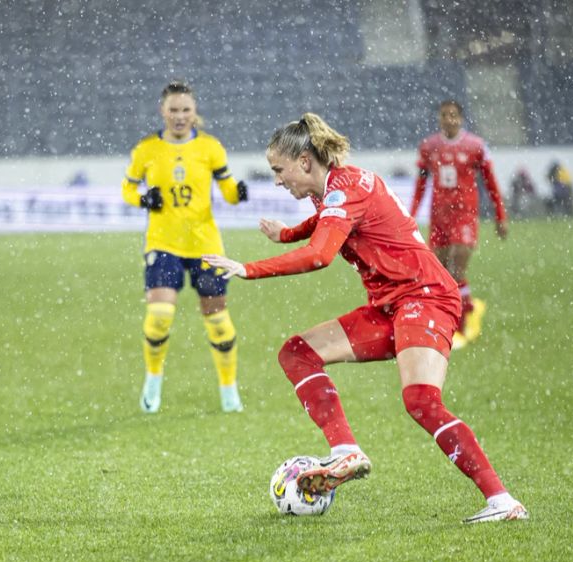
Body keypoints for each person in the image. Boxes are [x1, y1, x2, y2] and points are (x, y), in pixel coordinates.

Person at [203, 113, 527, 523]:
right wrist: (286, 234)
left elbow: (321, 254)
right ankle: (345, 452)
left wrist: (249, 268)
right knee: (296, 353)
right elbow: (324, 219)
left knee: (421, 400)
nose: (278, 181)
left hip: (424, 297)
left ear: (305, 161)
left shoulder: (345, 189)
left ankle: (502, 500)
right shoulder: (333, 188)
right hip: (390, 306)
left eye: (279, 170)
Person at [122, 80, 249, 414]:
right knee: (159, 317)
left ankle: (228, 388)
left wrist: (239, 192)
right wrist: (143, 198)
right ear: (162, 111)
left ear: (195, 112)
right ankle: (153, 379)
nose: (180, 116)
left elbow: (228, 191)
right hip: (163, 242)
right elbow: (127, 188)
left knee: (218, 320)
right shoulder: (146, 149)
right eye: (174, 110)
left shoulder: (210, 148)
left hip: (204, 244)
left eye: (186, 110)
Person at [409, 99, 507, 350]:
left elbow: (491, 183)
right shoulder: (429, 147)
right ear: (439, 119)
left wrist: (500, 216)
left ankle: (459, 327)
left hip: (464, 216)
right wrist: (410, 214)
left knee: (456, 269)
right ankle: (466, 306)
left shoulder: (476, 146)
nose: (449, 119)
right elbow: (421, 184)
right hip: (439, 217)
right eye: (444, 115)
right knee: (441, 274)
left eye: (453, 115)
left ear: (461, 119)